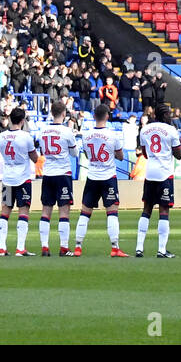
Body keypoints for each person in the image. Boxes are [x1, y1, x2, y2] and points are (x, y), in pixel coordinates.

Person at [74, 104, 128, 258]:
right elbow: (120, 156)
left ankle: (78, 246)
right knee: (112, 213)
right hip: (108, 177)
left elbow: (86, 153)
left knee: (85, 213)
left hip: (92, 176)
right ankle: (114, 247)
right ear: (107, 116)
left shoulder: (86, 135)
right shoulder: (113, 135)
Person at [136, 103, 181, 258]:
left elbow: (145, 153)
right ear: (166, 115)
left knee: (146, 209)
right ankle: (161, 250)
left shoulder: (145, 129)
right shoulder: (171, 130)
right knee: (164, 211)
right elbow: (179, 155)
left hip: (150, 173)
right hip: (164, 174)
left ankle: (139, 248)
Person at [36, 101, 80, 256]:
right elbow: (74, 154)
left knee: (46, 210)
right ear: (63, 114)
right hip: (63, 174)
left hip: (48, 174)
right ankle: (63, 247)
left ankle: (45, 246)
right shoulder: (67, 132)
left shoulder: (42, 131)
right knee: (64, 211)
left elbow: (41, 150)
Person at [0, 106, 38, 256]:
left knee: (5, 211)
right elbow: (35, 159)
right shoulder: (26, 137)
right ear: (22, 120)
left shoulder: (1, 136)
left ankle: (2, 248)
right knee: (23, 211)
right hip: (23, 178)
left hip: (7, 176)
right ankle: (20, 248)